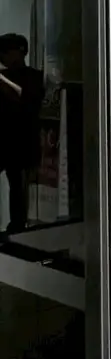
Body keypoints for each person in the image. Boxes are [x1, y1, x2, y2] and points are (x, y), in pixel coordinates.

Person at [0, 33, 42, 234]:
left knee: (19, 186)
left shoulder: (33, 77)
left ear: (21, 51)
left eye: (6, 52)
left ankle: (17, 227)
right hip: (6, 140)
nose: (3, 57)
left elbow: (25, 98)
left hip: (24, 141)